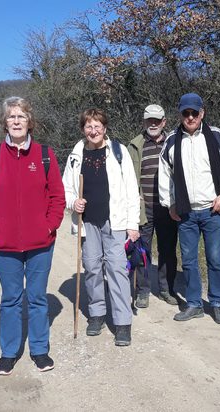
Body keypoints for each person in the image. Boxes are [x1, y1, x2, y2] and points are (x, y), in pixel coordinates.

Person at [0, 96, 65, 375]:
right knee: (11, 299)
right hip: (5, 245)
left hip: (41, 244)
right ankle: (9, 352)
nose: (16, 121)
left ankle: (39, 350)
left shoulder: (45, 155)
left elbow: (58, 198)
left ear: (30, 122)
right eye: (12, 117)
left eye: (21, 117)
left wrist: (49, 226)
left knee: (37, 298)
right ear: (5, 122)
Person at [159, 93, 220, 324]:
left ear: (202, 113)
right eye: (186, 113)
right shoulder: (172, 141)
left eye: (195, 112)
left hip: (212, 210)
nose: (191, 117)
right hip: (185, 213)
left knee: (215, 258)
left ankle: (217, 303)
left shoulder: (215, 136)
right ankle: (194, 303)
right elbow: (165, 176)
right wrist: (170, 203)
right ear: (180, 115)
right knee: (188, 260)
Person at [62, 108, 140, 346]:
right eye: (88, 126)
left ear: (105, 128)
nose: (93, 131)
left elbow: (131, 190)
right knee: (93, 267)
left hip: (114, 221)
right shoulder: (76, 155)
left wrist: (132, 224)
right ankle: (96, 314)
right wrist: (72, 203)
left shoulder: (118, 151)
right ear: (83, 129)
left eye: (98, 126)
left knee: (116, 269)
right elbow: (65, 189)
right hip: (87, 223)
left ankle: (122, 322)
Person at [127, 104, 178, 308]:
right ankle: (143, 291)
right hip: (143, 209)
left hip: (168, 208)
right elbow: (129, 176)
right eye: (150, 120)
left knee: (168, 250)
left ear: (164, 121)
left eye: (158, 120)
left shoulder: (175, 142)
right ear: (144, 122)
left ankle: (166, 289)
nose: (154, 124)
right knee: (142, 251)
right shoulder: (135, 144)